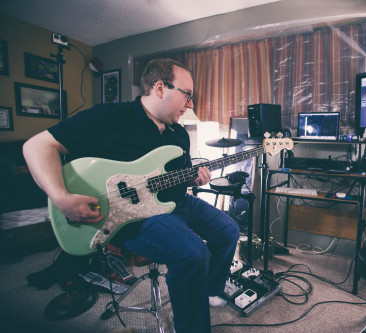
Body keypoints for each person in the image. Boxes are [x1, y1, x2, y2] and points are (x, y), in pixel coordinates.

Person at [23, 58, 240, 333]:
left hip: (177, 203)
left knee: (229, 229)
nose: (191, 104)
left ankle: (208, 289)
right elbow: (37, 146)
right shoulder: (109, 118)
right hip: (136, 216)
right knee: (192, 253)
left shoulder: (179, 134)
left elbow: (179, 177)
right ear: (160, 88)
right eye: (188, 95)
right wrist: (61, 197)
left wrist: (193, 176)